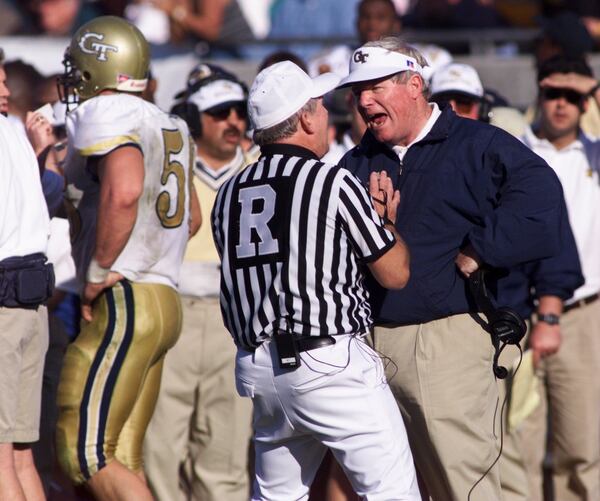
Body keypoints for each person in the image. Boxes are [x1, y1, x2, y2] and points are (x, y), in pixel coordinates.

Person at [338, 37, 564, 501]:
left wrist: (482, 249)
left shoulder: (476, 142)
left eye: (376, 86)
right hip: (368, 343)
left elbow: (542, 198)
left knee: (464, 484)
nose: (364, 101)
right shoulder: (355, 161)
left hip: (446, 341)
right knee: (392, 489)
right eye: (358, 90)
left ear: (415, 85)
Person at [211, 59, 421, 500]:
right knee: (392, 493)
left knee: (276, 497)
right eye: (320, 105)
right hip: (328, 362)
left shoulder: (228, 192)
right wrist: (385, 223)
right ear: (304, 118)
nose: (328, 115)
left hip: (261, 368)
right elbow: (396, 272)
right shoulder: (331, 181)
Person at [54, 16, 197, 501]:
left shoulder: (109, 113)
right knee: (122, 457)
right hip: (165, 300)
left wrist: (98, 272)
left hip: (127, 297)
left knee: (83, 453)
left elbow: (125, 190)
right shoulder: (169, 122)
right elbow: (191, 217)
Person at [144, 63, 254, 501]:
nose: (233, 121)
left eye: (239, 111)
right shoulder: (172, 163)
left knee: (225, 446)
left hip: (236, 317)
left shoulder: (260, 164)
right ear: (195, 120)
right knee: (162, 442)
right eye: (220, 112)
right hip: (178, 309)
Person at [513, 54, 600, 501]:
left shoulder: (596, 155)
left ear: (587, 101)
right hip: (518, 315)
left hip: (583, 315)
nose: (562, 104)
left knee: (582, 449)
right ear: (538, 94)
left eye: (574, 96)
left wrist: (593, 88)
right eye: (553, 93)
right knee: (517, 448)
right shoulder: (513, 151)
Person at [0, 51, 53, 501]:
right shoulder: (15, 132)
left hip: (2, 308)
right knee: (20, 458)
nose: (4, 89)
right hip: (33, 306)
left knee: (2, 464)